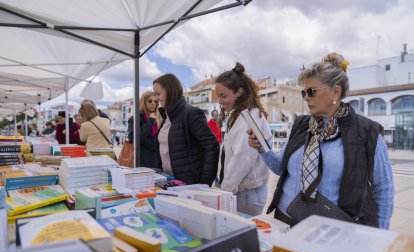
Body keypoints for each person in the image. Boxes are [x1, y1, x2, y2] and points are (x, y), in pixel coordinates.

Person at [248, 52, 394, 228]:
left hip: (329, 231)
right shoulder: (301, 124)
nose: (306, 97)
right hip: (283, 220)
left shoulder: (367, 132)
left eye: (312, 91)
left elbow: (383, 190)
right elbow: (281, 167)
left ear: (335, 92)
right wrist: (263, 149)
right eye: (304, 92)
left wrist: (381, 236)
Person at [215, 62, 272, 216]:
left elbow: (242, 158)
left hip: (245, 194)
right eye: (218, 96)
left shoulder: (249, 117)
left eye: (223, 96)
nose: (220, 101)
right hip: (242, 192)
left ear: (239, 92)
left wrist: (223, 193)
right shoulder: (240, 114)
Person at [154, 73, 219, 185]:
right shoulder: (167, 116)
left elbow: (212, 145)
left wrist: (204, 183)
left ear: (170, 90)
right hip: (170, 183)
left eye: (158, 94)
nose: (156, 98)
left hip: (189, 185)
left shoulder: (191, 113)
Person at [127, 91, 161, 168]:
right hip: (141, 161)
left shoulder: (160, 118)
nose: (153, 103)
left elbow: (160, 140)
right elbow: (135, 138)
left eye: (155, 101)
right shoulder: (135, 119)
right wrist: (150, 122)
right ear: (143, 102)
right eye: (150, 101)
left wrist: (145, 141)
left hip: (157, 161)